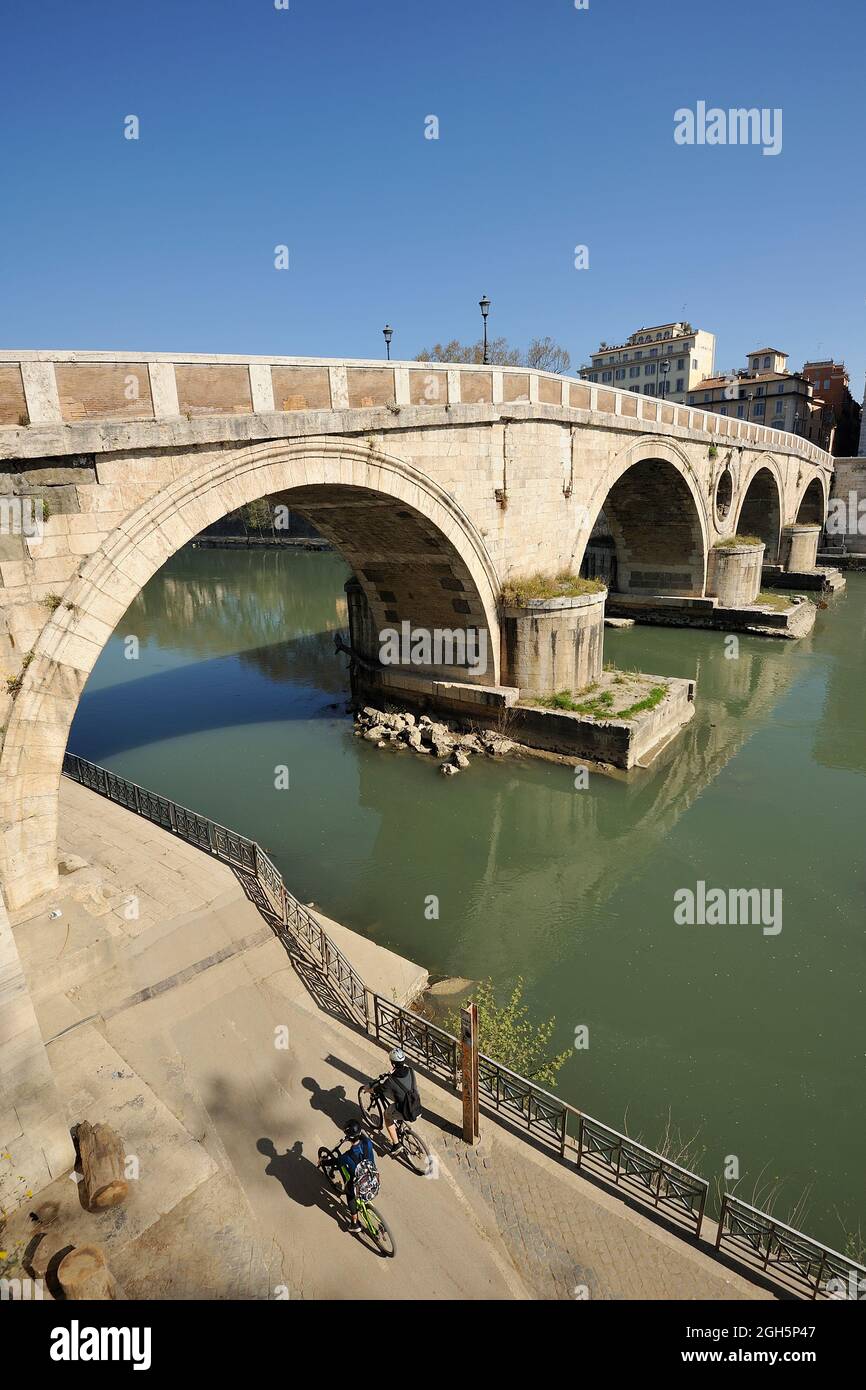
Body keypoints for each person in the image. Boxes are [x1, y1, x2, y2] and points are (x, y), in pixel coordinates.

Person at [376, 1048, 421, 1155]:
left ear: (392, 1063)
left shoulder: (391, 1080)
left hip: (405, 1110)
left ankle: (396, 1144)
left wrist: (369, 1089)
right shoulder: (411, 1070)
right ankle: (400, 1124)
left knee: (387, 1116)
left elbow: (381, 1089)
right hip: (417, 1106)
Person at [339, 1118, 377, 1228]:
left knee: (349, 1192)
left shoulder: (347, 1156)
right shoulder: (368, 1143)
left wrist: (324, 1161)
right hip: (372, 1178)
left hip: (359, 1186)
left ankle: (354, 1223)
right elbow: (363, 1137)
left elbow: (337, 1161)